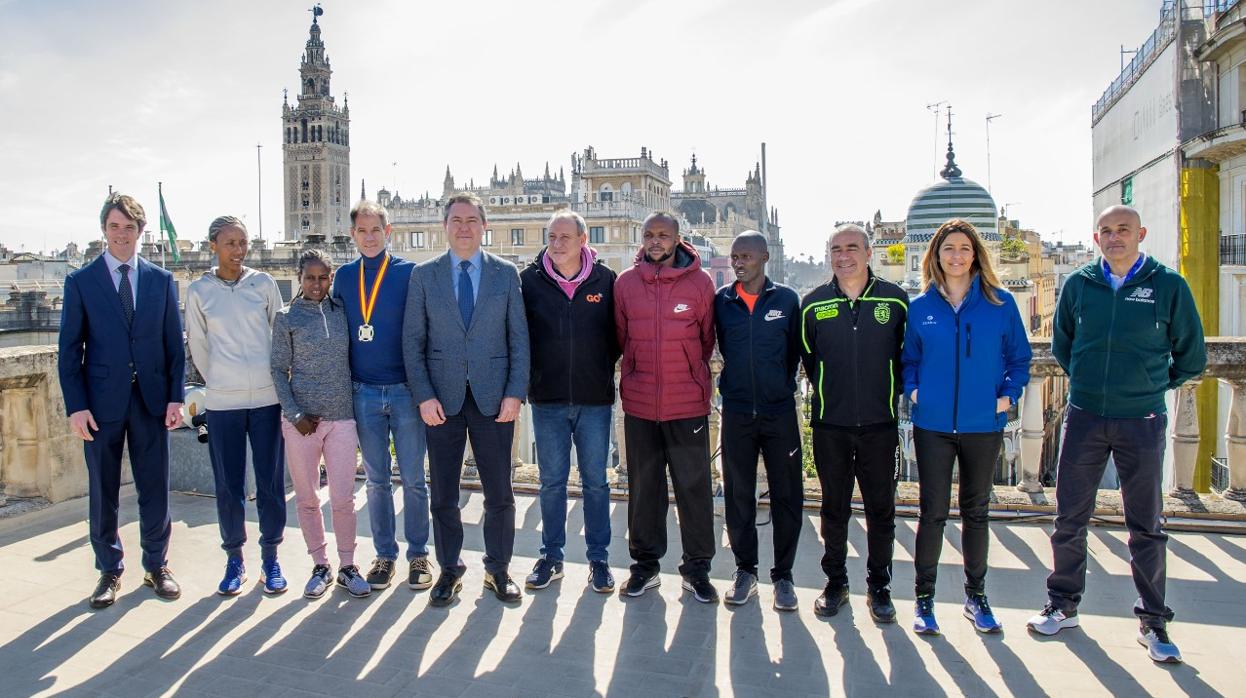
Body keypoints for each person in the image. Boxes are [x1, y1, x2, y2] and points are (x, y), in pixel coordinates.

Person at [1027, 205, 1206, 664]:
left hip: (1141, 421)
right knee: (1069, 518)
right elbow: (1064, 345)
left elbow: (1192, 356)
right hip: (1085, 416)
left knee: (1145, 525)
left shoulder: (1169, 286)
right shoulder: (1080, 284)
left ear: (1140, 233)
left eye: (1122, 229)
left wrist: (1149, 385)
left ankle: (1153, 621)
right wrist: (1089, 381)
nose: (1114, 237)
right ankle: (1063, 604)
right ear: (1096, 237)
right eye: (1105, 231)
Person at [901, 218, 1031, 635]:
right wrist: (916, 391)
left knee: (976, 513)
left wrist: (1007, 397)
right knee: (932, 513)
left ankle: (976, 597)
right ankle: (924, 599)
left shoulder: (1000, 303)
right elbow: (909, 360)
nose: (956, 256)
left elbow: (1020, 358)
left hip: (982, 424)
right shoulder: (920, 307)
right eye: (948, 249)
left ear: (976, 254)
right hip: (933, 426)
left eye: (964, 248)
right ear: (935, 256)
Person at [58, 193, 184, 609]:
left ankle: (156, 565)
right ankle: (108, 570)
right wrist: (76, 406)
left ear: (140, 232)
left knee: (155, 488)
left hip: (150, 402)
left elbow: (173, 348)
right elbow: (69, 350)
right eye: (114, 227)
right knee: (104, 490)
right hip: (100, 405)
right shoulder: (81, 281)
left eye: (129, 227)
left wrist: (174, 399)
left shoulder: (161, 281)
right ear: (104, 231)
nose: (121, 234)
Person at [404, 192, 530, 606]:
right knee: (442, 493)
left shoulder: (505, 273)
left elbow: (519, 340)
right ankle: (449, 571)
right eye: (456, 220)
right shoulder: (424, 276)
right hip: (442, 401)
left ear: (484, 226)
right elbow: (413, 343)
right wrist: (423, 397)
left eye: (471, 220)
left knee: (500, 493)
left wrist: (515, 393)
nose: (463, 227)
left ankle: (498, 571)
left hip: (495, 400)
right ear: (444, 226)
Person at [799, 223, 908, 622]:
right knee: (833, 510)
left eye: (851, 248)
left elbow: (904, 356)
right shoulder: (813, 304)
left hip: (880, 425)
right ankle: (836, 583)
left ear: (868, 252)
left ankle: (879, 587)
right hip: (831, 425)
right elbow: (809, 360)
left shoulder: (896, 302)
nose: (843, 256)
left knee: (882, 511)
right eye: (835, 249)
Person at [614, 211, 718, 603]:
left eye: (663, 235)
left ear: (677, 239)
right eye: (649, 235)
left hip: (687, 404)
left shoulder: (701, 284)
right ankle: (645, 568)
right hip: (640, 405)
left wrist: (690, 375)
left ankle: (697, 570)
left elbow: (706, 341)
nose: (655, 241)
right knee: (644, 491)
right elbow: (623, 338)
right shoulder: (625, 284)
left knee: (695, 490)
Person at [519, 210, 620, 593]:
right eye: (551, 237)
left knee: (596, 483)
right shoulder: (530, 280)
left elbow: (617, 336)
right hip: (547, 401)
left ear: (582, 240)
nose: (557, 244)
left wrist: (596, 371)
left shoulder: (606, 280)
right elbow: (521, 337)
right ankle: (552, 557)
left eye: (565, 237)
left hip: (595, 401)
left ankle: (599, 560)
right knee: (551, 483)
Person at [186, 216, 288, 596]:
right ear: (214, 245)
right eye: (230, 243)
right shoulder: (199, 291)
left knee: (270, 483)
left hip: (266, 399)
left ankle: (271, 558)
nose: (239, 250)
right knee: (228, 485)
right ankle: (234, 559)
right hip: (224, 403)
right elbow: (198, 343)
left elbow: (279, 335)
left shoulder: (263, 284)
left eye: (243, 242)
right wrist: (220, 382)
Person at [333, 200, 431, 592]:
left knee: (414, 479)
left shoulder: (411, 273)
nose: (370, 237)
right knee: (375, 480)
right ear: (353, 235)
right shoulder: (343, 276)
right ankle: (385, 555)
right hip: (363, 391)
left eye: (376, 230)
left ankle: (419, 554)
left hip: (406, 391)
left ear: (388, 232)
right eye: (362, 231)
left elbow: (425, 331)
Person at [271, 249, 370, 599]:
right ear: (300, 278)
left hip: (341, 419)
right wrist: (295, 415)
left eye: (323, 277)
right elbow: (278, 370)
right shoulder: (286, 318)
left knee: (343, 498)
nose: (317, 284)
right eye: (310, 277)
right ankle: (319, 565)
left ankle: (347, 566)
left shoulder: (343, 313)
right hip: (301, 425)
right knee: (308, 498)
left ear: (331, 279)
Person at [714, 230, 803, 611]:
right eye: (734, 256)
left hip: (779, 412)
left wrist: (781, 387)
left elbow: (797, 353)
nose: (738, 262)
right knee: (737, 495)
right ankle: (744, 570)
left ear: (765, 257)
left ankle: (783, 577)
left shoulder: (787, 299)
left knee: (787, 496)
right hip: (736, 412)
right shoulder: (722, 302)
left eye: (746, 256)